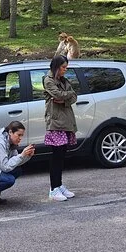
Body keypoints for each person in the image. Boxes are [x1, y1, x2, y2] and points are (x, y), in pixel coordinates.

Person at [43, 55, 78, 201]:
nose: (65, 70)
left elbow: (74, 96)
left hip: (66, 122)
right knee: (56, 156)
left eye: (66, 67)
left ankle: (59, 185)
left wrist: (65, 99)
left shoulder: (64, 81)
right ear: (57, 67)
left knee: (62, 155)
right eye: (63, 67)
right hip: (56, 123)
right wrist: (67, 96)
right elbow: (57, 94)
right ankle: (53, 188)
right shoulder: (48, 80)